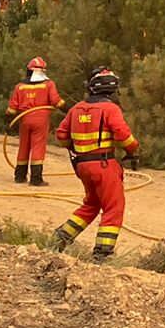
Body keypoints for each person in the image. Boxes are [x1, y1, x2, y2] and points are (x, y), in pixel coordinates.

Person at [52, 67, 139, 261]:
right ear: (112, 90)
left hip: (82, 166)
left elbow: (61, 135)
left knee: (91, 204)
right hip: (104, 165)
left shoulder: (76, 109)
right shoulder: (110, 109)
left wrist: (78, 146)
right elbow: (123, 135)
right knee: (113, 207)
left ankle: (60, 238)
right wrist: (133, 150)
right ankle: (102, 253)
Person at [6, 58, 61, 186]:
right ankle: (36, 179)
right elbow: (56, 101)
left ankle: (19, 176)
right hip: (40, 120)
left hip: (24, 120)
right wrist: (69, 110)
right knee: (38, 147)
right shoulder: (48, 84)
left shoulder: (19, 87)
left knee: (23, 146)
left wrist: (9, 123)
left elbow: (12, 108)